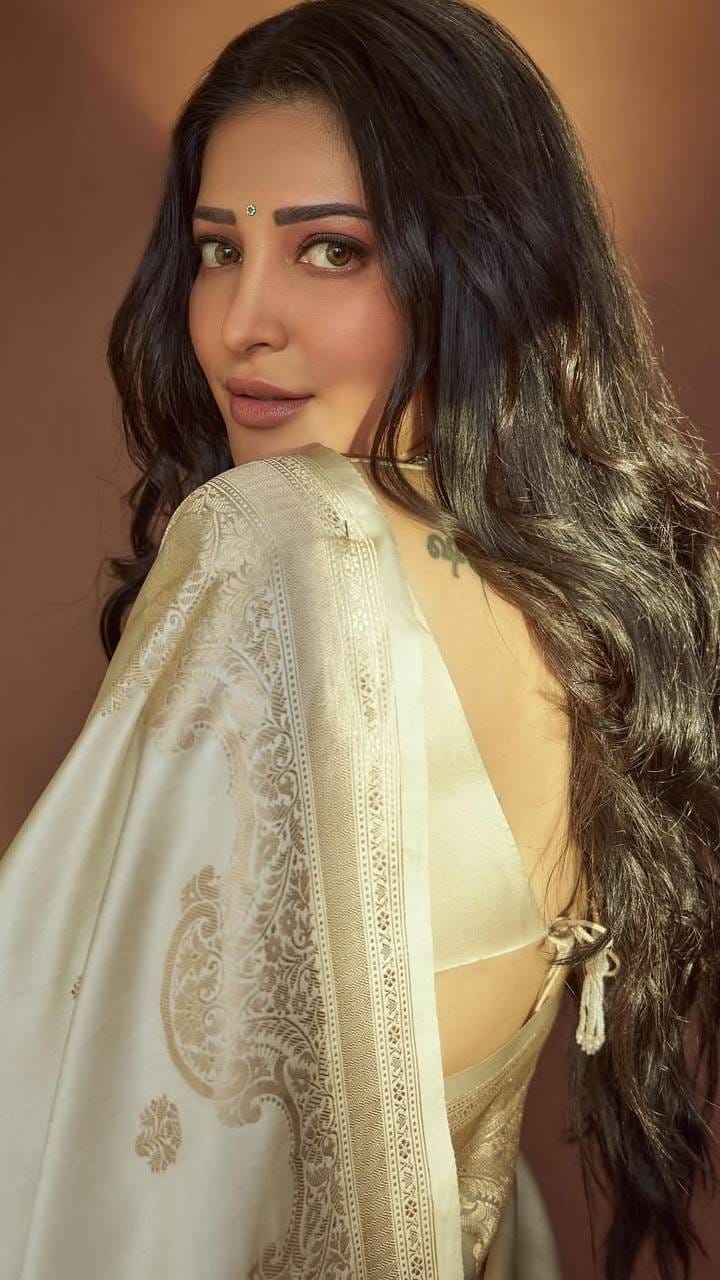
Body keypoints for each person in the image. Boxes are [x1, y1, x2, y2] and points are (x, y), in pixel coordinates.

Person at [2, 0, 718, 1276]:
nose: (240, 323)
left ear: (479, 262)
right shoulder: (575, 603)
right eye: (219, 250)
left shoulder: (278, 545)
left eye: (330, 250)